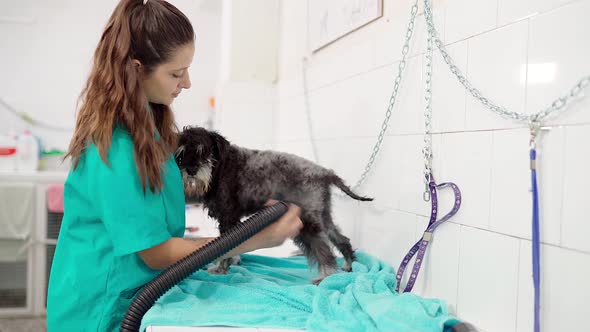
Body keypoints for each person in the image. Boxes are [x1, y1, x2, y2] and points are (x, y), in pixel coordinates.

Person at [46, 1, 303, 330]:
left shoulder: (149, 127)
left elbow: (163, 193)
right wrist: (259, 237)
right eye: (176, 73)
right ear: (137, 70)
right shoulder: (115, 149)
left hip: (139, 292)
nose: (187, 83)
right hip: (101, 307)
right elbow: (157, 253)